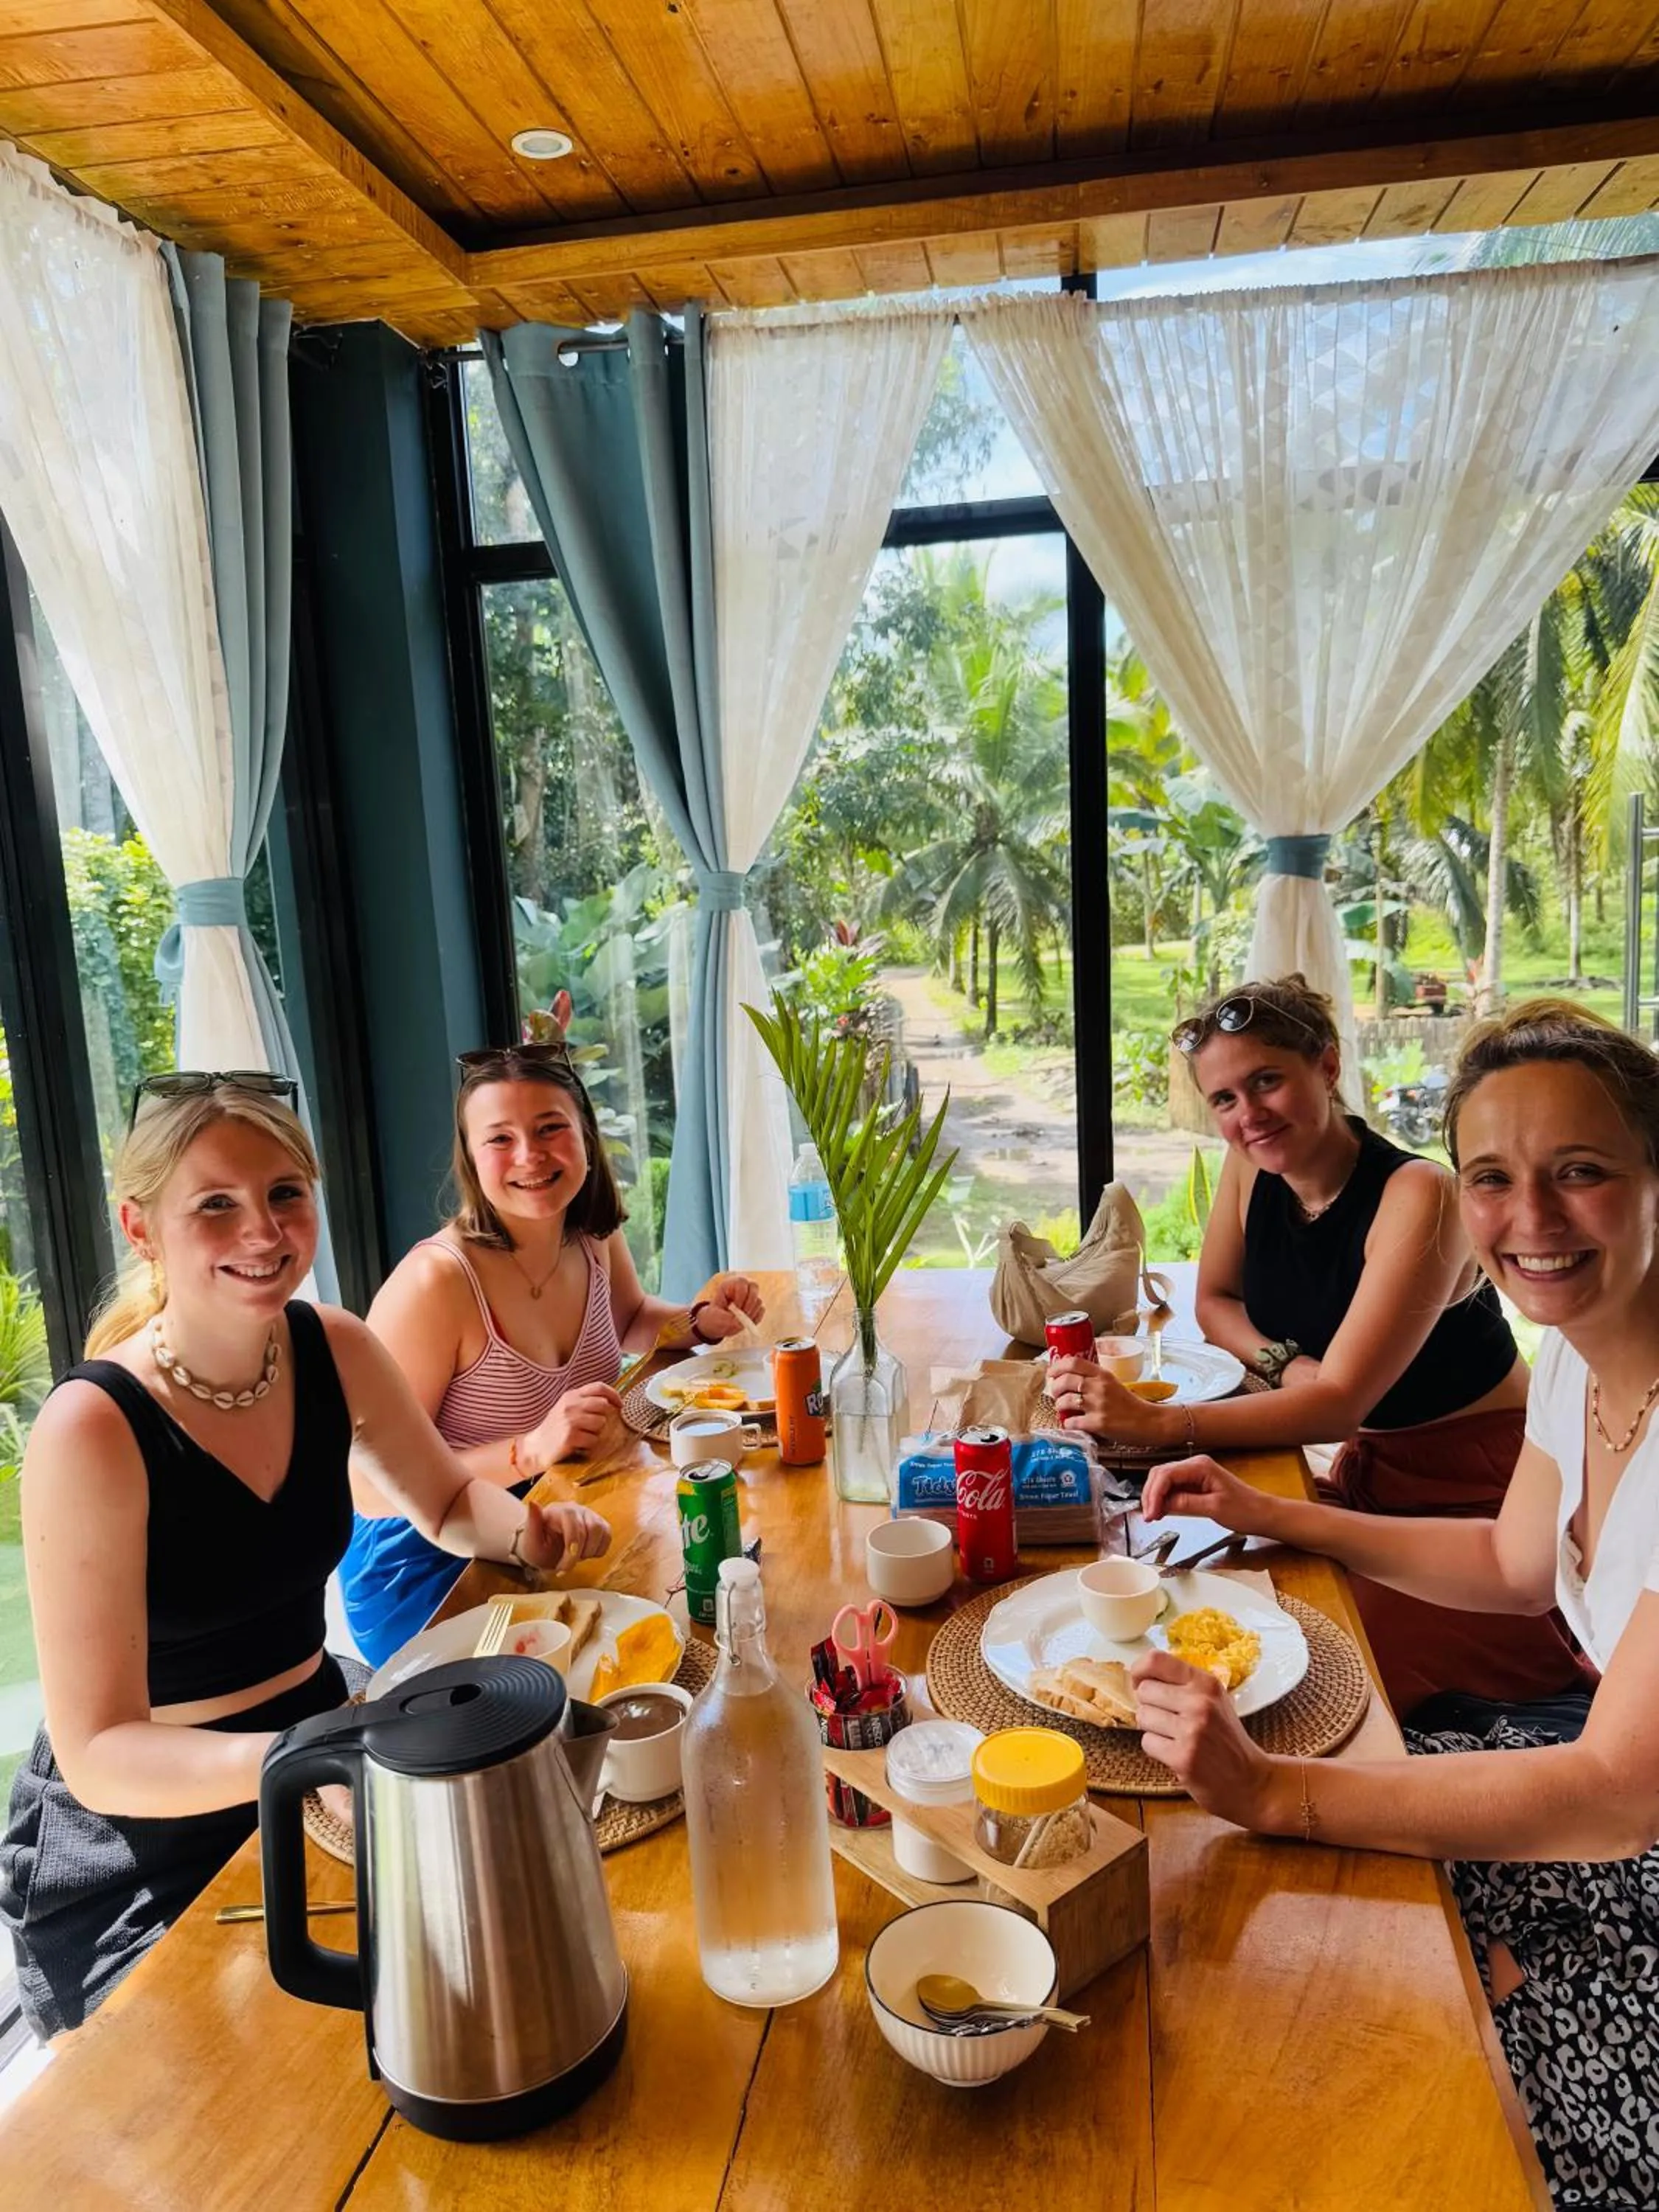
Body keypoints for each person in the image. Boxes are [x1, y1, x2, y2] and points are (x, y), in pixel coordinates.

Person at [1131, 1002, 1659, 2210]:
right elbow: (1517, 1566)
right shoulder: (1578, 1356)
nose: (1530, 1218)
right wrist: (1282, 1517)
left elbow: (1619, 1795)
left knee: (1409, 2068)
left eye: (1580, 1171)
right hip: (1584, 1783)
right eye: (1495, 1176)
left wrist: (1280, 1794)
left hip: (1626, 1834)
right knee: (1296, 1935)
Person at [0, 1074, 611, 2041]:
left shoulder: (330, 1346)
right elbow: (100, 1753)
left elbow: (445, 1497)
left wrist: (521, 1535)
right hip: (142, 1844)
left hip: (323, 1760)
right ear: (139, 1226)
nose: (264, 1231)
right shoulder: (93, 1429)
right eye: (215, 1205)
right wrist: (305, 1755)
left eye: (286, 1193)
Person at [1048, 974, 1590, 1719]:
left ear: (1328, 1067)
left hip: (1476, 1494)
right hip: (1366, 1477)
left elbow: (1338, 1406)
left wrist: (1159, 1424)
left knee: (1294, 1655)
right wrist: (1286, 1367)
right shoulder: (1253, 1167)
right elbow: (1213, 1304)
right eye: (1225, 1100)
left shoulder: (1418, 1194)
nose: (1249, 1116)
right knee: (1211, 1594)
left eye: (1267, 1081)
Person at [340, 1036, 764, 1667]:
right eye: (500, 1138)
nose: (530, 1156)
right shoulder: (437, 1285)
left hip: (565, 1511)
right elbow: (369, 1489)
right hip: (431, 1569)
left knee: (713, 1608)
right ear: (471, 1158)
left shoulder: (590, 1233)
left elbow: (628, 1320)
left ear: (585, 1137)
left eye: (549, 1129)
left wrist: (699, 1323)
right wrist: (529, 1449)